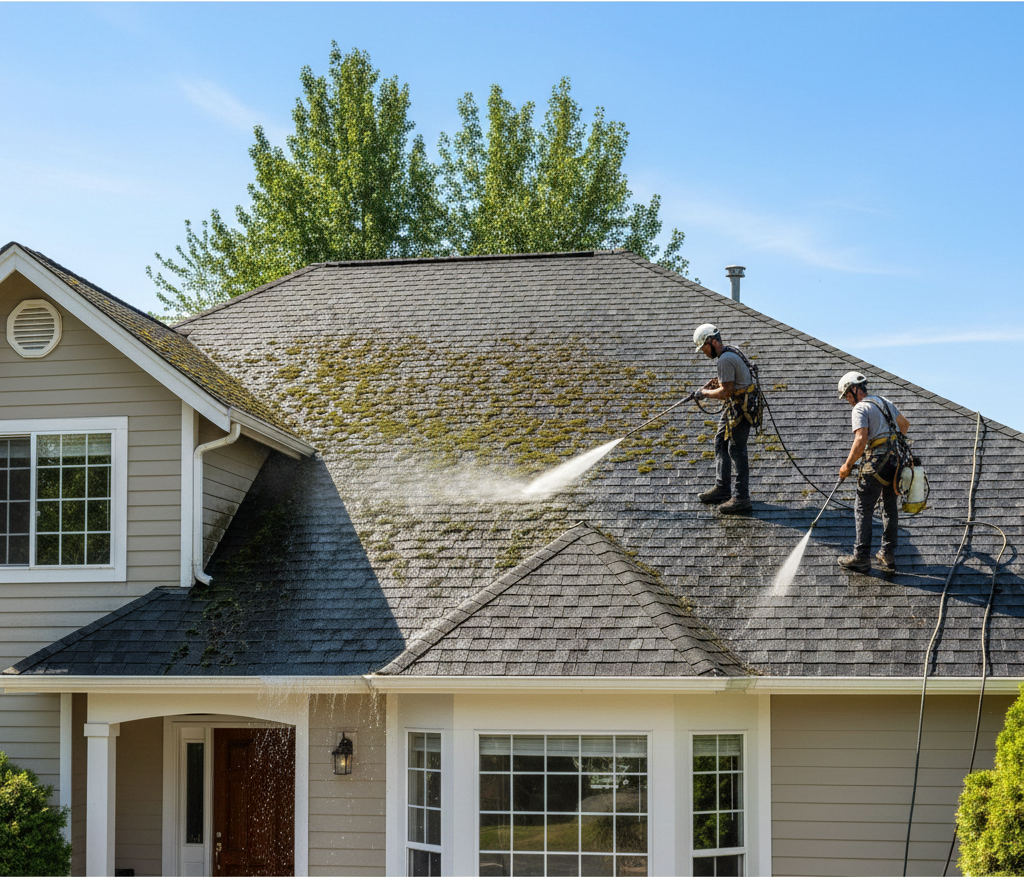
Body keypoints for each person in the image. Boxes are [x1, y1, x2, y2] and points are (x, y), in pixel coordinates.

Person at [836, 371, 911, 574]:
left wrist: (847, 465)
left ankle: (861, 557)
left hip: (877, 462)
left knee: (862, 507)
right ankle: (887, 554)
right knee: (889, 506)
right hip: (896, 461)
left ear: (854, 389)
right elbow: (904, 425)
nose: (849, 401)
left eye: (848, 396)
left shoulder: (861, 408)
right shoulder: (884, 401)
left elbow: (860, 440)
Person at [692, 323, 761, 515]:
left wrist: (705, 393)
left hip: (742, 409)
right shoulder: (731, 351)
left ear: (712, 342)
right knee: (720, 441)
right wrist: (716, 381)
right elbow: (729, 380)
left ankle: (741, 498)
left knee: (736, 449)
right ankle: (722, 488)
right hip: (736, 406)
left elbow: (727, 391)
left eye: (704, 347)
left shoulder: (725, 359)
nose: (704, 352)